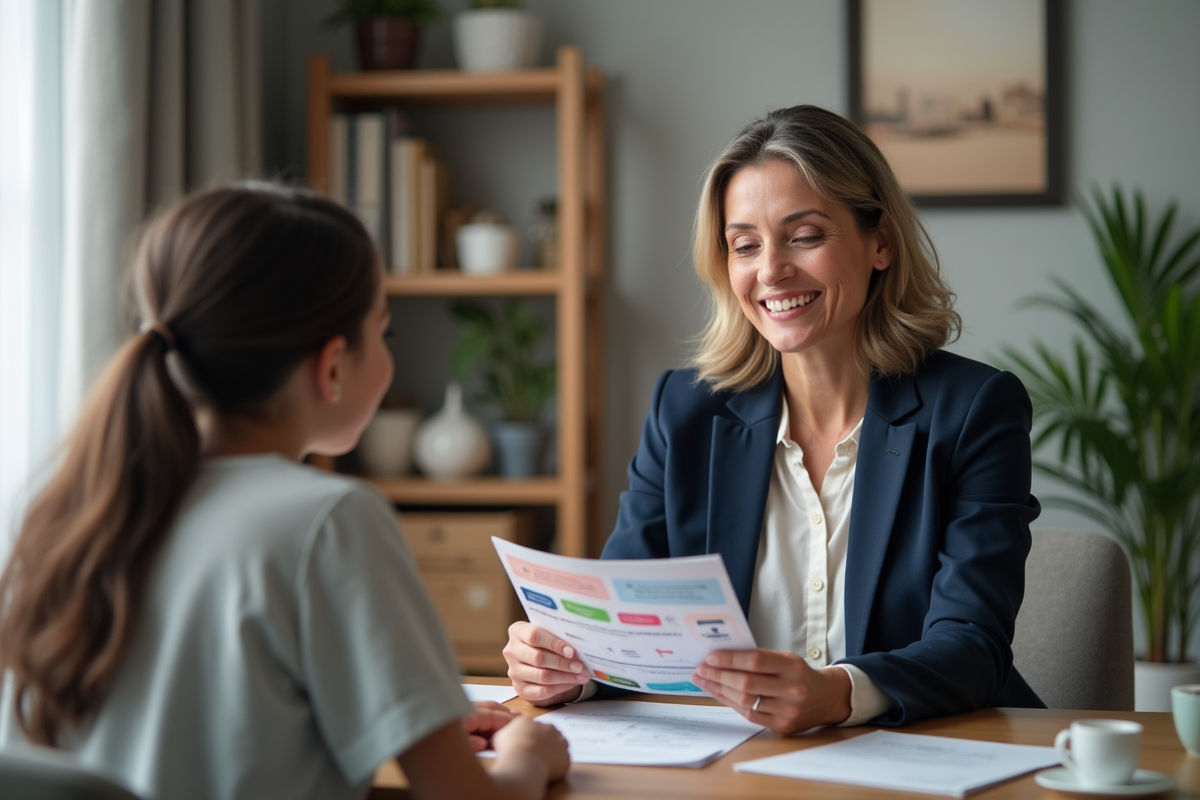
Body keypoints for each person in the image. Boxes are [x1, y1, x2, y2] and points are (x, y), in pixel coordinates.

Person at [0, 184, 568, 800]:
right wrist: (528, 754)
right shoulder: (330, 519)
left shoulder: (70, 510)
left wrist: (414, 717)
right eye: (385, 333)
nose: (388, 355)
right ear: (331, 366)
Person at [503, 105, 1044, 734]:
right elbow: (628, 630)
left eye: (806, 235)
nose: (770, 270)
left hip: (928, 756)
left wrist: (839, 694)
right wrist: (567, 668)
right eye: (744, 245)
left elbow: (972, 646)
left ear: (881, 242)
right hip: (738, 768)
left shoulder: (976, 409)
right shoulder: (684, 411)